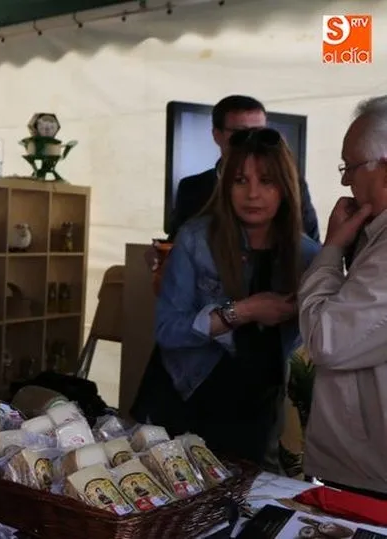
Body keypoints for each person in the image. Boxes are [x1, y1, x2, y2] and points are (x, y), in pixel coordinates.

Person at [133, 127, 320, 471]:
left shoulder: (307, 254)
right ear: (225, 185)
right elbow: (168, 331)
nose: (253, 194)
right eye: (240, 181)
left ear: (286, 187)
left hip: (259, 412)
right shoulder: (196, 239)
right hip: (189, 396)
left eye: (266, 181)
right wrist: (245, 311)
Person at [298, 95, 387, 498]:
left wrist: (332, 248)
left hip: (372, 473)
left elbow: (326, 340)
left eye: (349, 167)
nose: (344, 181)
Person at [169, 95, 320, 242]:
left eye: (260, 132)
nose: (252, 140)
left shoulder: (292, 184)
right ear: (216, 135)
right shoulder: (191, 188)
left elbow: (311, 244)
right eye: (241, 134)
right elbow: (175, 243)